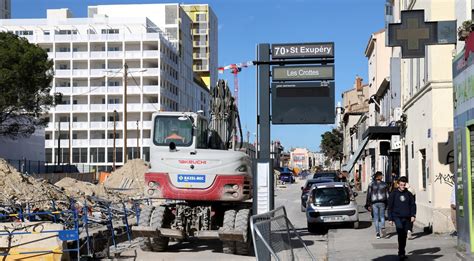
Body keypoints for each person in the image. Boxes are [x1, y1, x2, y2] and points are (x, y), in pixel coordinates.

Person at [388, 176, 416, 260]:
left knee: (404, 235)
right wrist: (390, 218)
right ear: (398, 184)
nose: (402, 187)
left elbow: (413, 205)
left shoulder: (409, 194)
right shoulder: (394, 193)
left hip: (406, 217)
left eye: (404, 185)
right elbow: (390, 206)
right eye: (401, 185)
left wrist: (413, 215)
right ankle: (401, 252)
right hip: (397, 216)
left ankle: (402, 252)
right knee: (400, 232)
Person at [366, 171, 389, 239]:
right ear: (379, 177)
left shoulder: (371, 184)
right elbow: (387, 195)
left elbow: (369, 194)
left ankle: (377, 233)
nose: (382, 177)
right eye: (381, 175)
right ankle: (383, 229)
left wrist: (368, 204)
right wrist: (388, 204)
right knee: (382, 216)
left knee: (376, 218)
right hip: (382, 202)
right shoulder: (385, 184)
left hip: (374, 202)